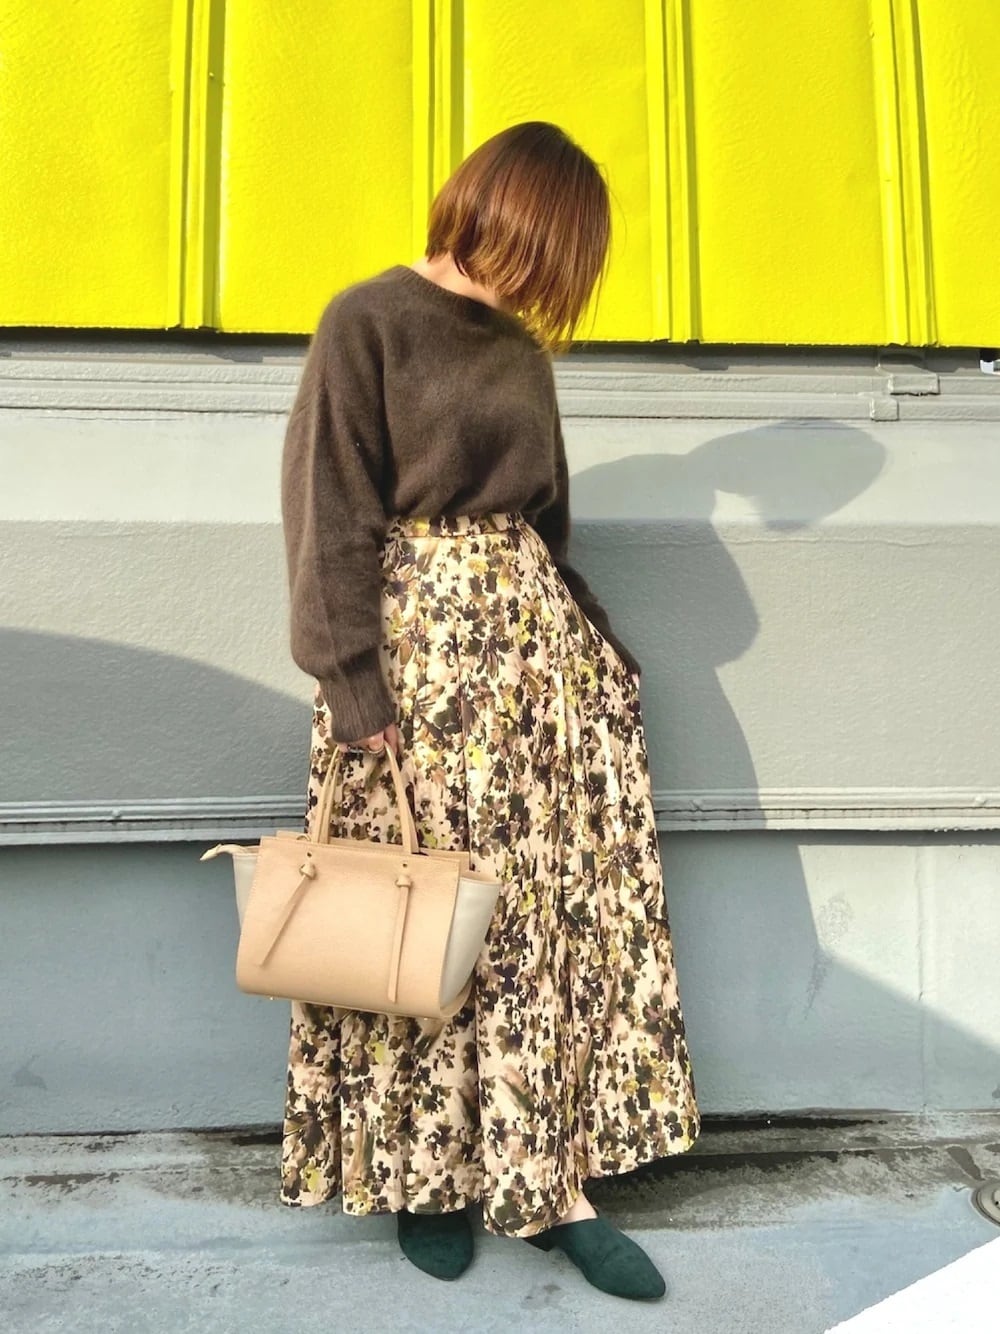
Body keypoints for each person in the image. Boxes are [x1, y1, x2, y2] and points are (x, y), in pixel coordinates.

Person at [278, 120, 700, 1302]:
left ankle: (550, 1180)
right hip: (418, 676)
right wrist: (354, 687)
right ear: (502, 216)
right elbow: (328, 515)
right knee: (423, 918)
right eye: (550, 255)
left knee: (540, 925)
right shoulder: (366, 321)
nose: (548, 288)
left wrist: (597, 649)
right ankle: (429, 1176)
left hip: (539, 679)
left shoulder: (521, 352)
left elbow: (543, 529)